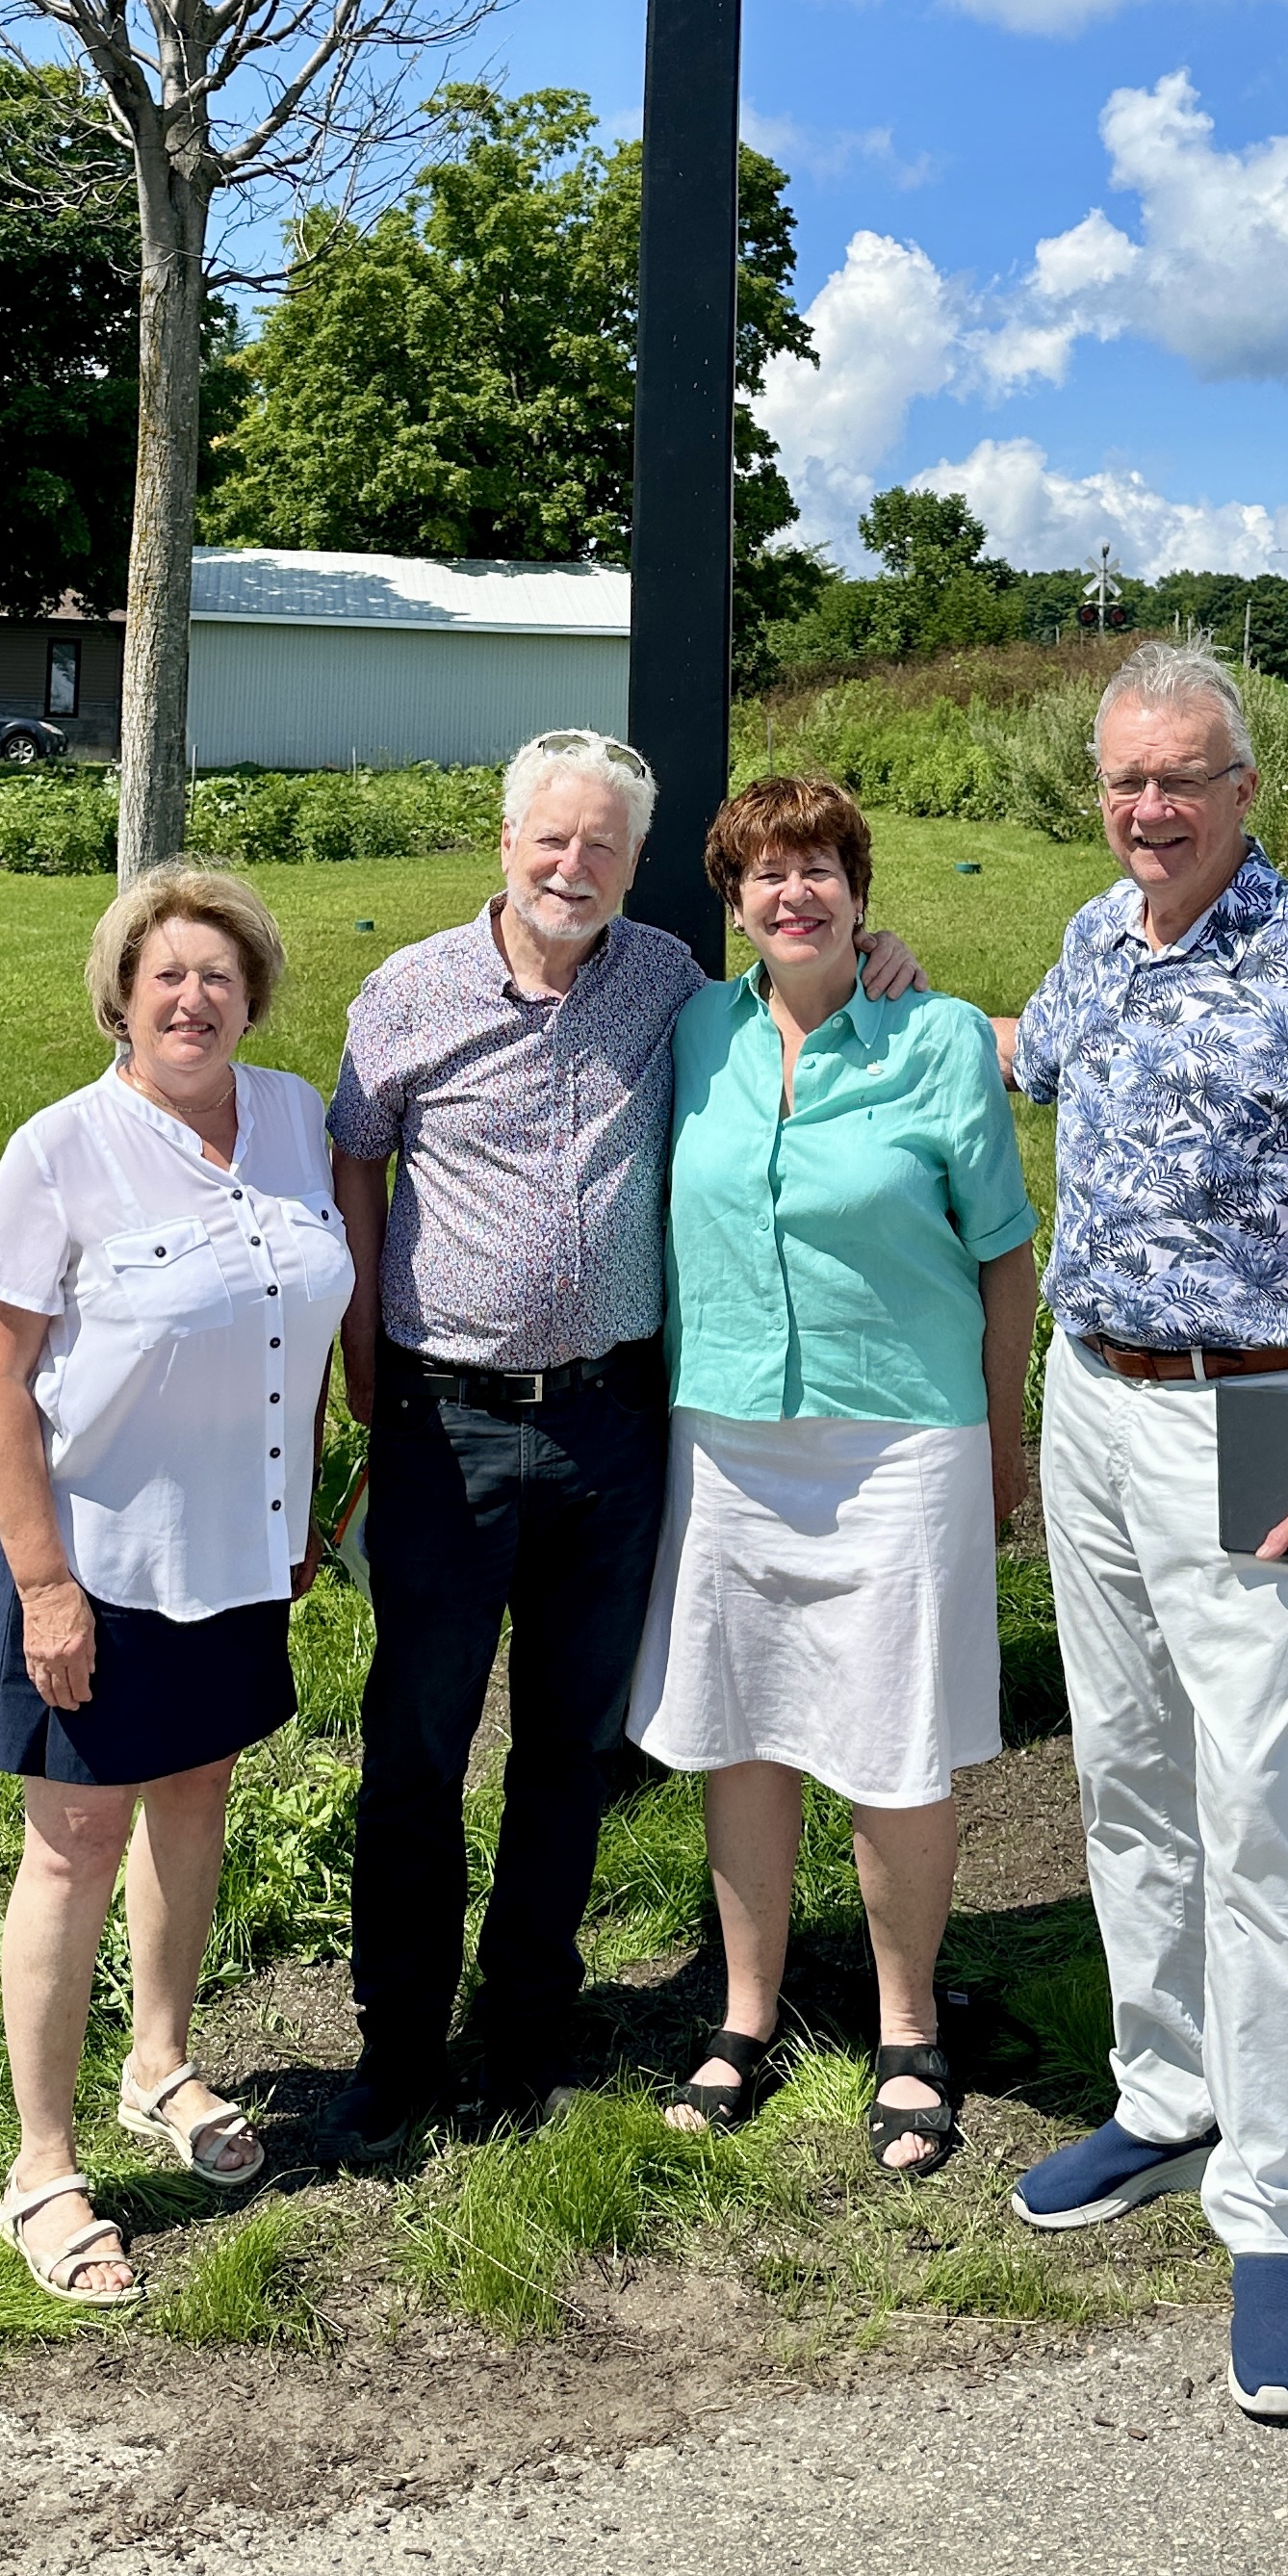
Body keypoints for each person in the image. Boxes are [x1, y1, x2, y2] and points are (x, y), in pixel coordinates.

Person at [323, 728, 928, 2158]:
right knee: (415, 1748)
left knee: (567, 1749)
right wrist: (362, 1361)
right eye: (552, 839)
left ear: (637, 862)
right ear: (505, 841)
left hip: (611, 1427)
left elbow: (792, 991)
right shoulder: (408, 992)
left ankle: (525, 2028)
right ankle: (397, 2047)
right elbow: (357, 1162)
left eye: (603, 845)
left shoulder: (666, 981)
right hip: (448, 1423)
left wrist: (877, 955)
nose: (573, 866)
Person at [996, 640, 1288, 2431]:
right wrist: (898, 990)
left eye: (1183, 778)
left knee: (1254, 1816)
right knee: (1122, 1773)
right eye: (1126, 779)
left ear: (1244, 790)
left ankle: (1270, 2207)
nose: (1151, 807)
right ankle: (1165, 2093)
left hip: (1261, 1412)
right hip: (1095, 1397)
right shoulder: (1098, 939)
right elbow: (1034, 1062)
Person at [630, 777, 1040, 2175]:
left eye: (819, 870)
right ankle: (744, 2015)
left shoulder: (938, 1039)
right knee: (740, 1722)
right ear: (734, 901)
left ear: (861, 895)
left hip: (903, 1441)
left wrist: (1006, 1443)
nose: (792, 893)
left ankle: (908, 2030)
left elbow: (1003, 1253)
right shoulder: (698, 1030)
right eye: (766, 874)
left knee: (896, 1734)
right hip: (729, 1434)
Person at [0, 863, 350, 2307]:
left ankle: (160, 2066)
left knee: (196, 1795)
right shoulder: (60, 1149)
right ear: (121, 998)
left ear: (254, 997)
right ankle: (41, 2169)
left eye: (220, 976)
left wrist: (299, 1499)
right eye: (166, 976)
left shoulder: (295, 1118)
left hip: (237, 1548)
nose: (194, 999)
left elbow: (296, 1324)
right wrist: (44, 1585)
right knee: (73, 1840)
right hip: (96, 1559)